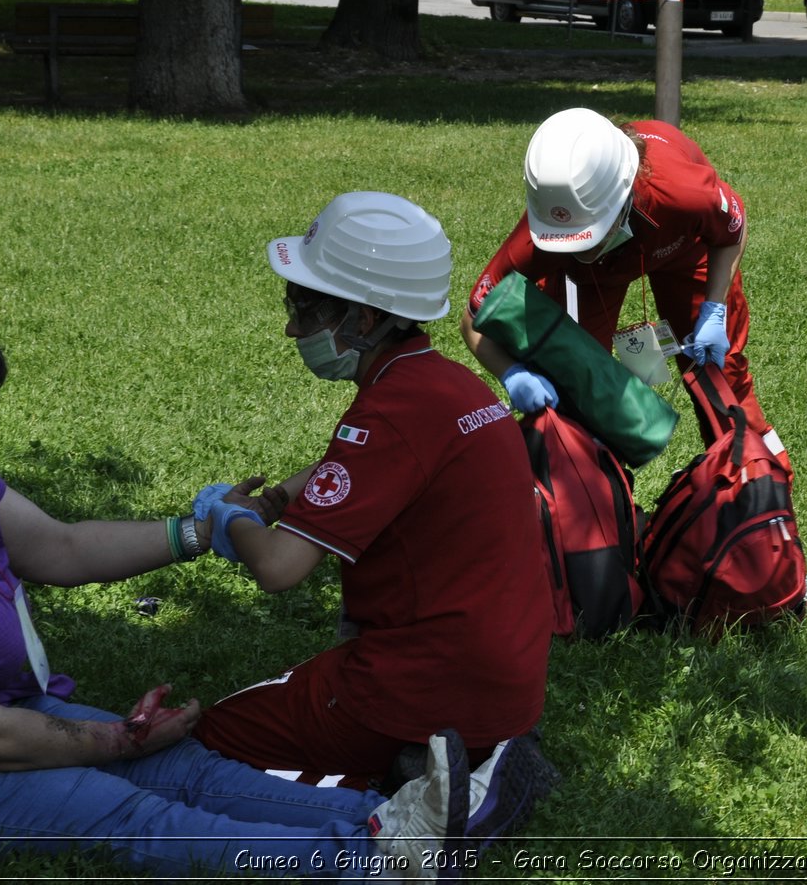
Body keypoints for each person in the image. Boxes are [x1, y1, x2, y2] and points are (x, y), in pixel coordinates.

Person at [0, 313, 525, 878]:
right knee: (127, 811)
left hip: (5, 708)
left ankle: (397, 819)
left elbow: (60, 547)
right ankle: (370, 860)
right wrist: (118, 742)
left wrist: (197, 531)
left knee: (185, 766)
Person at [191, 191, 556, 800]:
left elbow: (280, 569)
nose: (291, 326)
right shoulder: (448, 384)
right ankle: (458, 759)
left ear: (362, 320)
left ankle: (411, 778)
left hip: (418, 686)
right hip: (505, 682)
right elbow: (378, 464)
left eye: (304, 309)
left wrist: (230, 519)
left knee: (212, 737)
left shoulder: (386, 415)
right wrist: (284, 495)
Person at [460, 107, 788, 467]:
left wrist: (714, 308)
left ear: (625, 198)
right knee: (580, 388)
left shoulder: (682, 192)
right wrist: (512, 373)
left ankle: (758, 486)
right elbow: (474, 314)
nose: (583, 249)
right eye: (570, 241)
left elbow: (731, 232)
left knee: (722, 377)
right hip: (593, 281)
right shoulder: (548, 233)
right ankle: (600, 503)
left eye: (590, 237)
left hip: (682, 246)